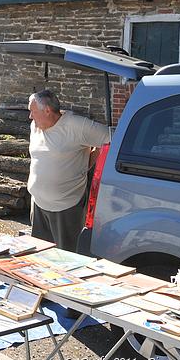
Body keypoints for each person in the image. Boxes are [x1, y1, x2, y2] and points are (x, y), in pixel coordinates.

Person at [27, 89, 111, 252]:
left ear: (47, 110)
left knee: (66, 258)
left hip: (66, 207)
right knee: (40, 256)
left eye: (33, 111)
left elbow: (110, 138)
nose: (30, 116)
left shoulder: (75, 125)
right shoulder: (35, 126)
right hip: (38, 205)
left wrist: (89, 161)